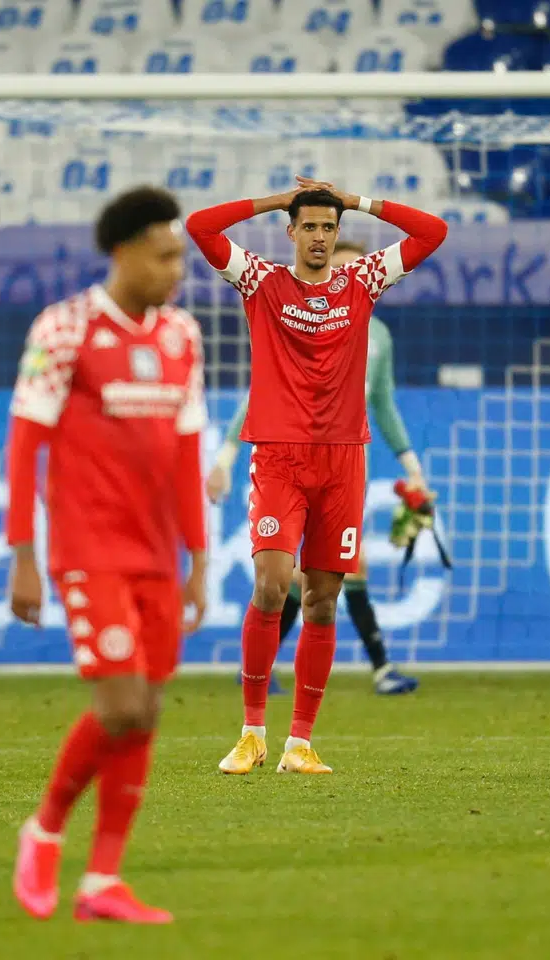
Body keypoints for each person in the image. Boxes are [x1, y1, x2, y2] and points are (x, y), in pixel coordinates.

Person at [186, 178, 447, 776]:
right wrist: (274, 198)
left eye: (330, 227)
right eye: (310, 226)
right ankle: (252, 731)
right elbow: (200, 226)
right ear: (292, 232)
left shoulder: (363, 282)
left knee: (324, 599)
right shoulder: (261, 281)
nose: (321, 237)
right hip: (279, 455)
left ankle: (299, 742)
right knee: (273, 585)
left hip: (343, 461)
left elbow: (434, 232)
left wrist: (359, 202)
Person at [7, 186, 208, 924]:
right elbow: (24, 444)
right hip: (88, 549)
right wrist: (22, 554)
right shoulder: (64, 329)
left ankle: (101, 884)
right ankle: (45, 830)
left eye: (181, 256)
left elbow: (188, 453)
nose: (176, 270)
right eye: (164, 256)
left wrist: (200, 559)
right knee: (121, 704)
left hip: (158, 553)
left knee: (146, 711)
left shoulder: (183, 335)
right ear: (123, 254)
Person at [209, 239, 427, 697]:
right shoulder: (296, 318)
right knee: (300, 577)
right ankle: (380, 667)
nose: (343, 280)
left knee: (317, 579)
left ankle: (268, 669)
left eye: (356, 271)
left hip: (342, 460)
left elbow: (382, 404)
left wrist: (412, 466)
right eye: (338, 269)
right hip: (289, 458)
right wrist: (227, 457)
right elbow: (261, 395)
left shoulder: (378, 336)